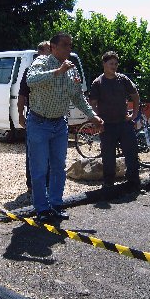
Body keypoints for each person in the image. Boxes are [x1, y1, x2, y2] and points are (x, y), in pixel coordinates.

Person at [26, 32, 103, 223]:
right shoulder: (42, 62)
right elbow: (31, 80)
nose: (69, 49)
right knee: (40, 168)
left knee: (59, 167)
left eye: (70, 45)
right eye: (65, 45)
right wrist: (57, 71)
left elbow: (77, 96)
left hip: (59, 123)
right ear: (53, 47)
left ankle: (56, 204)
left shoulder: (72, 69)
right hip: (39, 123)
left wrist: (92, 115)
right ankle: (42, 208)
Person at [89, 51, 140, 193]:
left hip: (124, 124)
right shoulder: (97, 83)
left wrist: (134, 114)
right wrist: (97, 120)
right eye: (111, 63)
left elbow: (135, 96)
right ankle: (108, 184)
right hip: (107, 126)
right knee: (108, 157)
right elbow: (92, 104)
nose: (114, 66)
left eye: (116, 64)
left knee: (131, 154)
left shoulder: (123, 79)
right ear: (104, 64)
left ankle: (134, 183)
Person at [18, 41, 51, 193]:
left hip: (54, 120)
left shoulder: (57, 70)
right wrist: (20, 115)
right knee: (33, 154)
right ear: (40, 53)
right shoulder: (30, 71)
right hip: (36, 119)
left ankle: (48, 184)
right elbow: (22, 95)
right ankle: (32, 186)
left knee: (51, 154)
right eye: (49, 50)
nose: (51, 53)